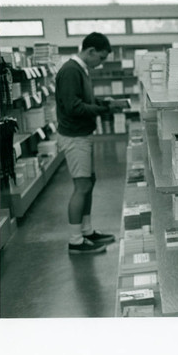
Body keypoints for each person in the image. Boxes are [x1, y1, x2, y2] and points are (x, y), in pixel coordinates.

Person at [56, 32, 123, 255]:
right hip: (74, 136)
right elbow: (73, 107)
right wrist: (104, 109)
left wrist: (105, 103)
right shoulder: (71, 71)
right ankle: (76, 241)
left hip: (82, 134)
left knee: (89, 183)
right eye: (101, 58)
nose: (101, 63)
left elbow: (84, 101)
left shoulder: (81, 70)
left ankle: (87, 231)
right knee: (82, 186)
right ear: (91, 51)